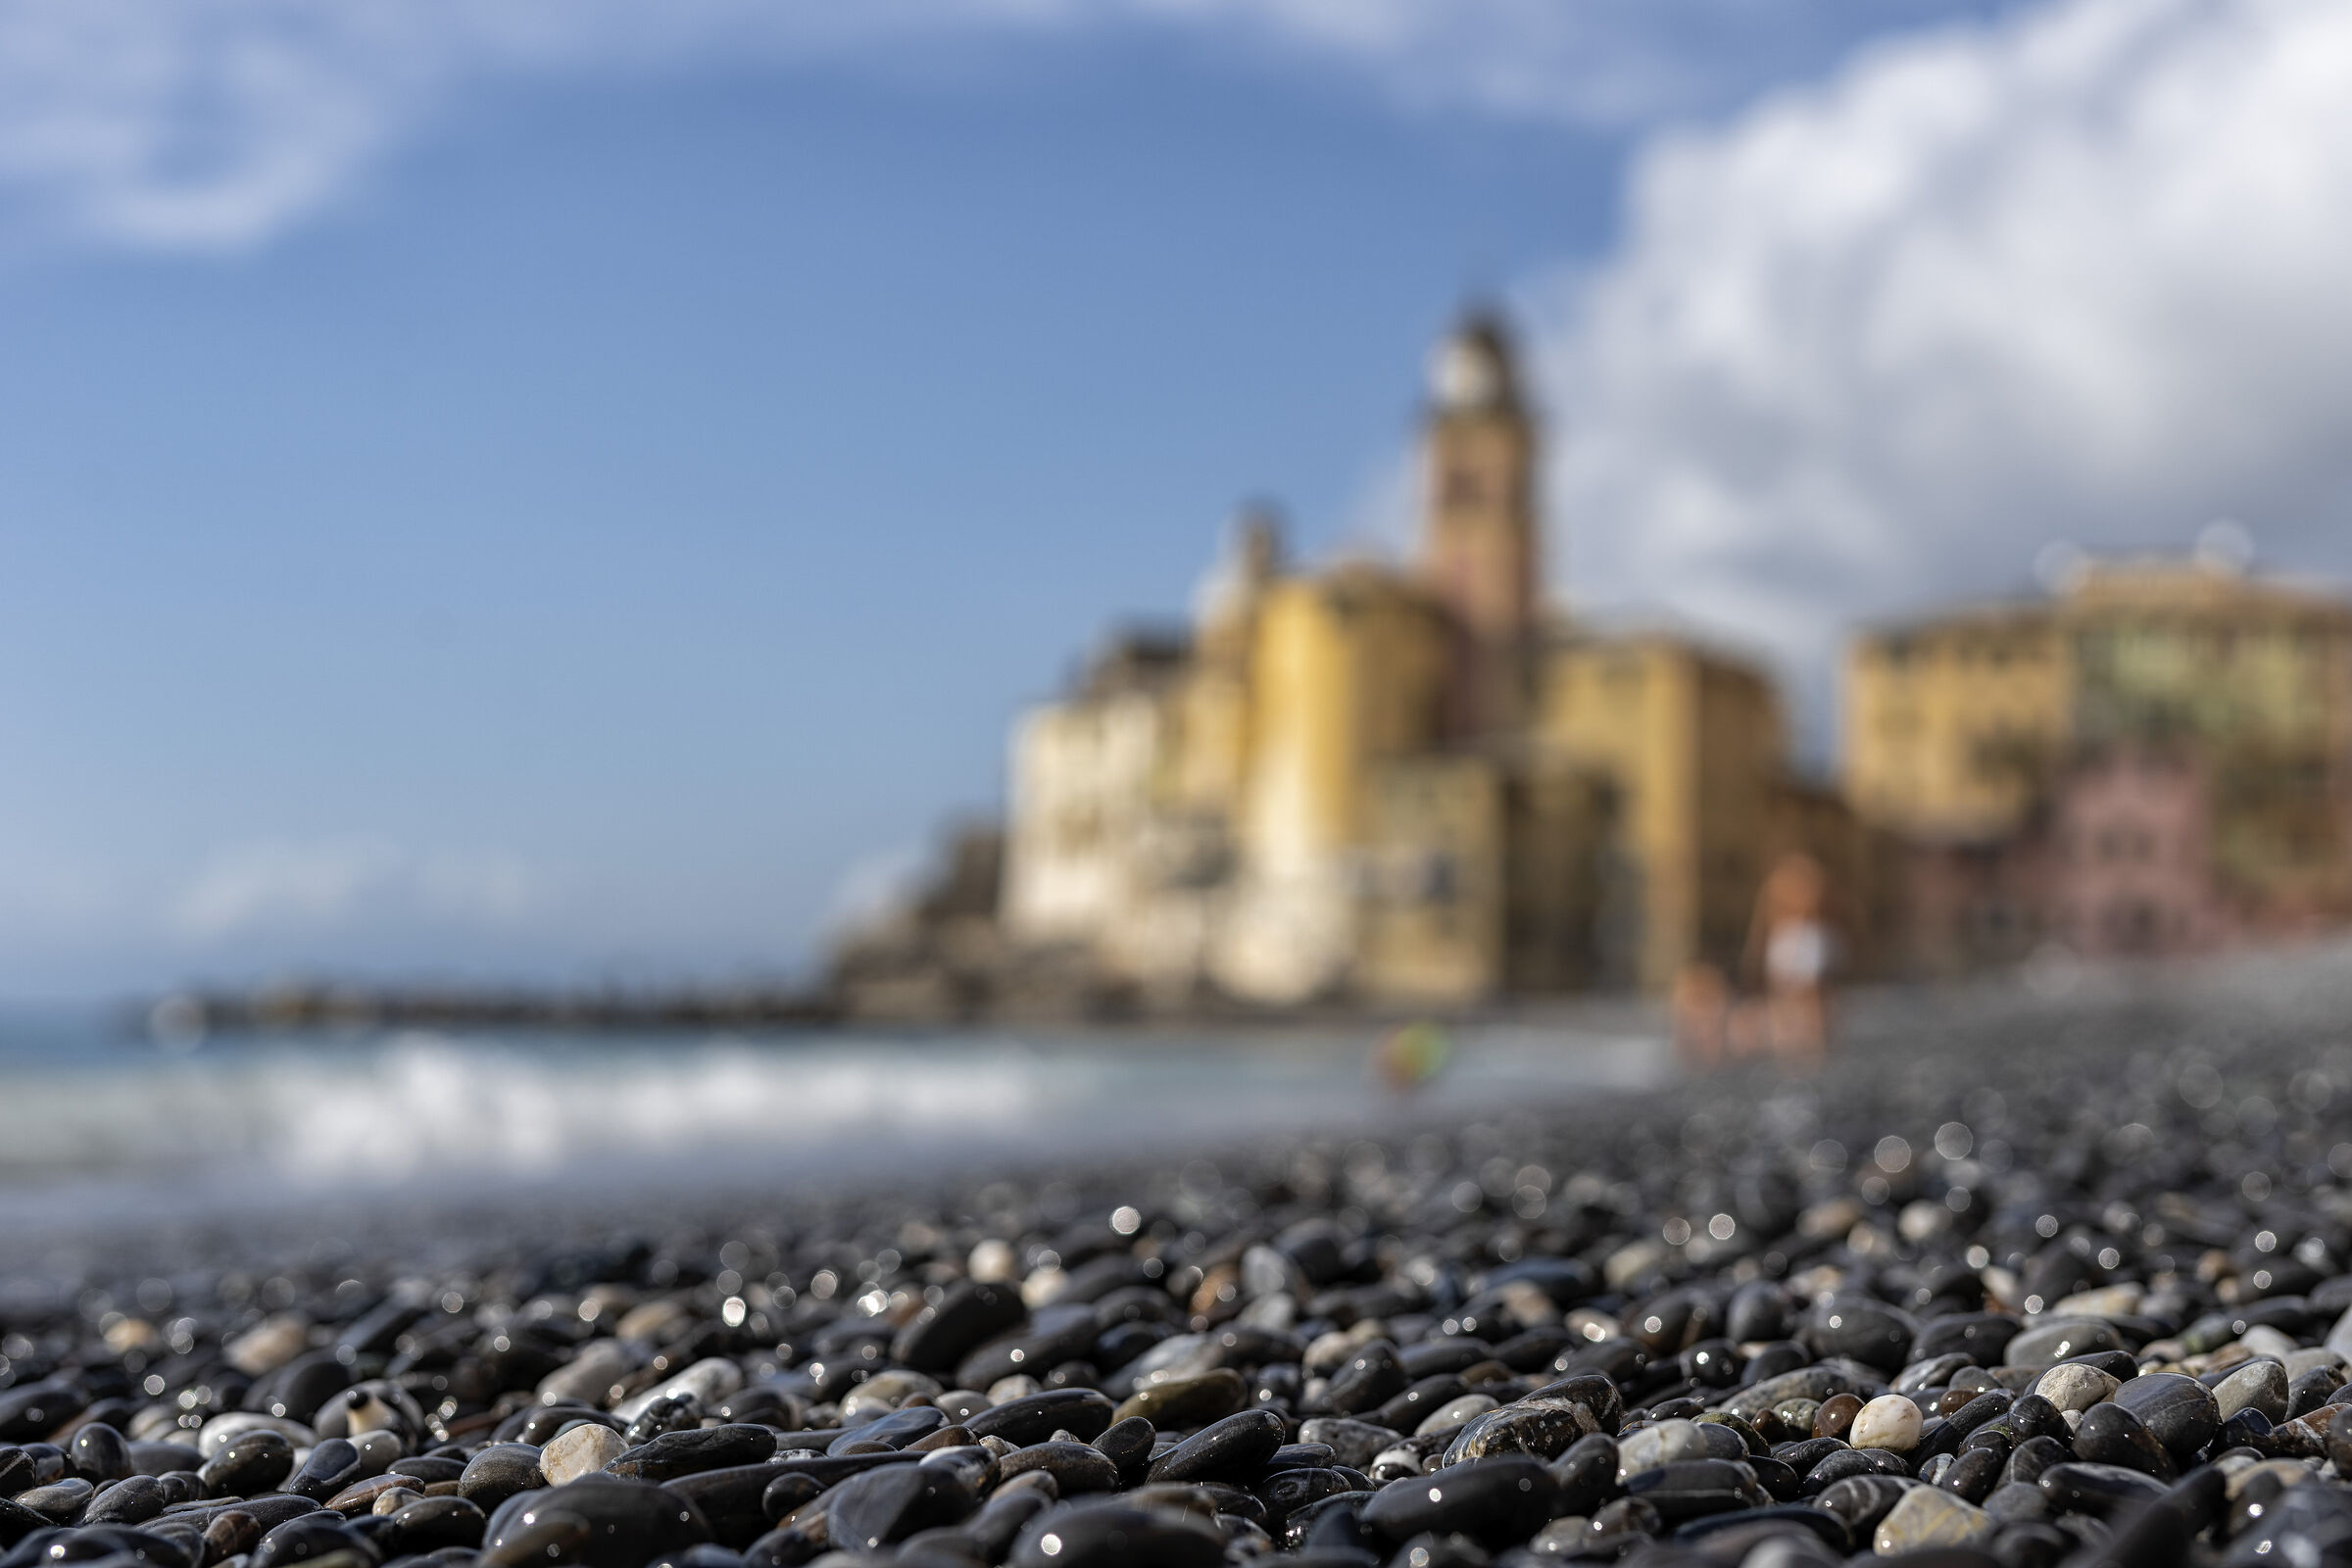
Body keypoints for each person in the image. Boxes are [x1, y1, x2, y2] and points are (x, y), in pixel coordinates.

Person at [1745, 851, 1834, 1069]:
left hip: (1805, 1025)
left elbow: (1814, 993)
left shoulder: (1815, 937)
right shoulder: (1780, 938)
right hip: (1787, 1023)